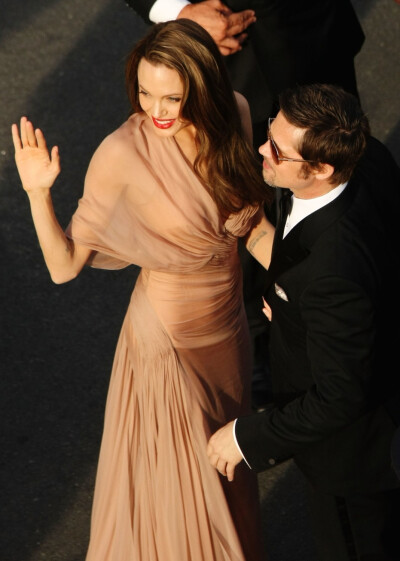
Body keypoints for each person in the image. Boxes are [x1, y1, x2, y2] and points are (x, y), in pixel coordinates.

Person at [12, 18, 276, 561]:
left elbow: (250, 227)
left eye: (173, 97)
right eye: (145, 91)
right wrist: (39, 195)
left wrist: (308, 294)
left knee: (227, 476)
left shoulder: (239, 114)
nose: (156, 109)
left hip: (227, 336)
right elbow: (65, 267)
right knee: (187, 497)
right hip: (167, 349)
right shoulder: (121, 155)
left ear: (203, 88)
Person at [124, 0, 366, 410]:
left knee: (335, 192)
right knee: (235, 206)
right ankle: (256, 343)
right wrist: (177, 10)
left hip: (313, 39)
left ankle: (334, 326)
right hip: (223, 60)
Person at [207, 83, 400, 561]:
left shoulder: (335, 272)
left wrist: (245, 436)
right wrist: (291, 302)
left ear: (322, 168)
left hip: (350, 459)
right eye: (271, 131)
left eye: (276, 150)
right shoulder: (367, 159)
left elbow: (340, 395)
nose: (261, 150)